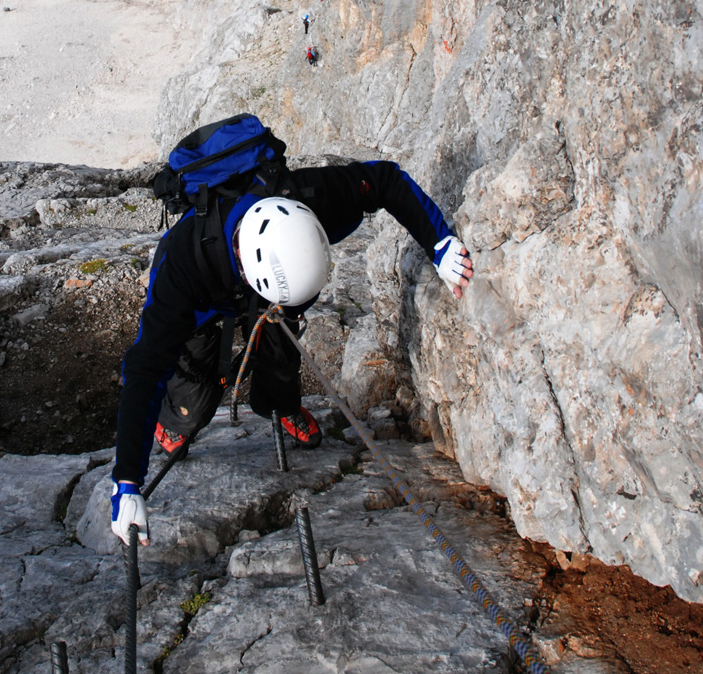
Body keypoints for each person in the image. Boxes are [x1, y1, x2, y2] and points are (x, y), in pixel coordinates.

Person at [111, 157, 474, 545]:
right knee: (194, 382)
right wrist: (128, 480)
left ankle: (280, 406)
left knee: (281, 346)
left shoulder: (305, 199)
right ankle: (178, 422)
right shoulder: (181, 269)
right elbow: (145, 368)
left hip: (280, 291)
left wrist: (439, 242)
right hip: (204, 296)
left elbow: (383, 180)